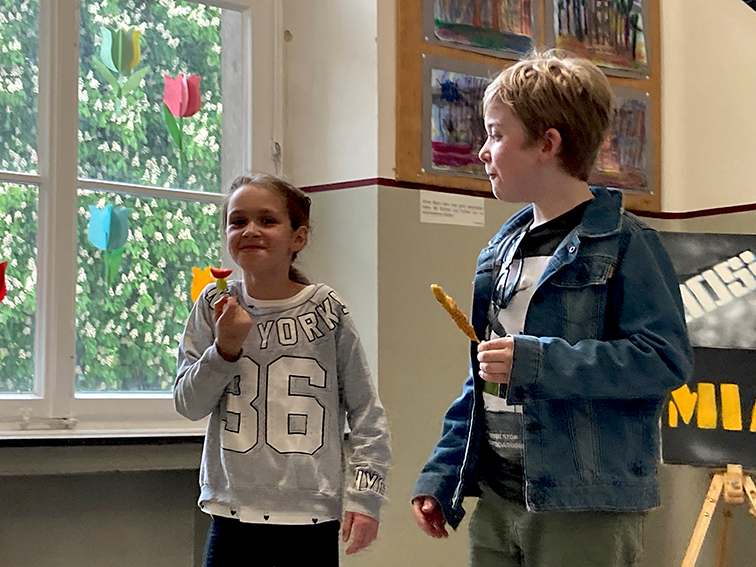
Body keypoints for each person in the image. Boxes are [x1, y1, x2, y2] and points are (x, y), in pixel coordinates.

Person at [412, 50, 693, 567]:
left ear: (547, 144)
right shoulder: (499, 252)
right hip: (498, 498)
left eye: (496, 134)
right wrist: (443, 471)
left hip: (583, 505)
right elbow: (483, 377)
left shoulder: (628, 244)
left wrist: (539, 361)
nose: (482, 152)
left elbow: (663, 360)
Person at [175, 173, 391, 567]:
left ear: (298, 237)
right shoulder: (213, 304)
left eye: (267, 220)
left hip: (309, 519)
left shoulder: (326, 309)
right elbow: (189, 403)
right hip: (232, 514)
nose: (250, 230)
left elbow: (366, 412)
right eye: (237, 221)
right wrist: (224, 349)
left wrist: (366, 498)